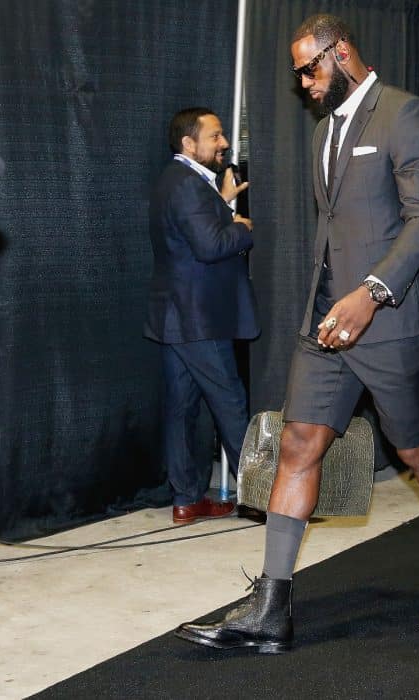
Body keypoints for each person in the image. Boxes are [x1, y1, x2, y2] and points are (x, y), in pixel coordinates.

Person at [175, 14, 419, 654]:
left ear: (341, 51)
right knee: (298, 442)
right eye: (297, 73)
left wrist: (371, 292)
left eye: (309, 68)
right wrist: (328, 301)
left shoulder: (403, 113)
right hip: (326, 320)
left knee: (417, 451)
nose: (303, 82)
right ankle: (272, 607)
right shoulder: (324, 131)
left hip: (390, 318)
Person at [144, 108, 259, 524]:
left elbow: (190, 234)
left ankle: (187, 498)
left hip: (176, 317)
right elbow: (210, 246)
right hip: (198, 320)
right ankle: (263, 498)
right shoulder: (187, 184)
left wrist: (222, 204)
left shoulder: (175, 180)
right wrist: (243, 227)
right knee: (230, 402)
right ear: (189, 143)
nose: (224, 143)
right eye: (215, 136)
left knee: (182, 408)